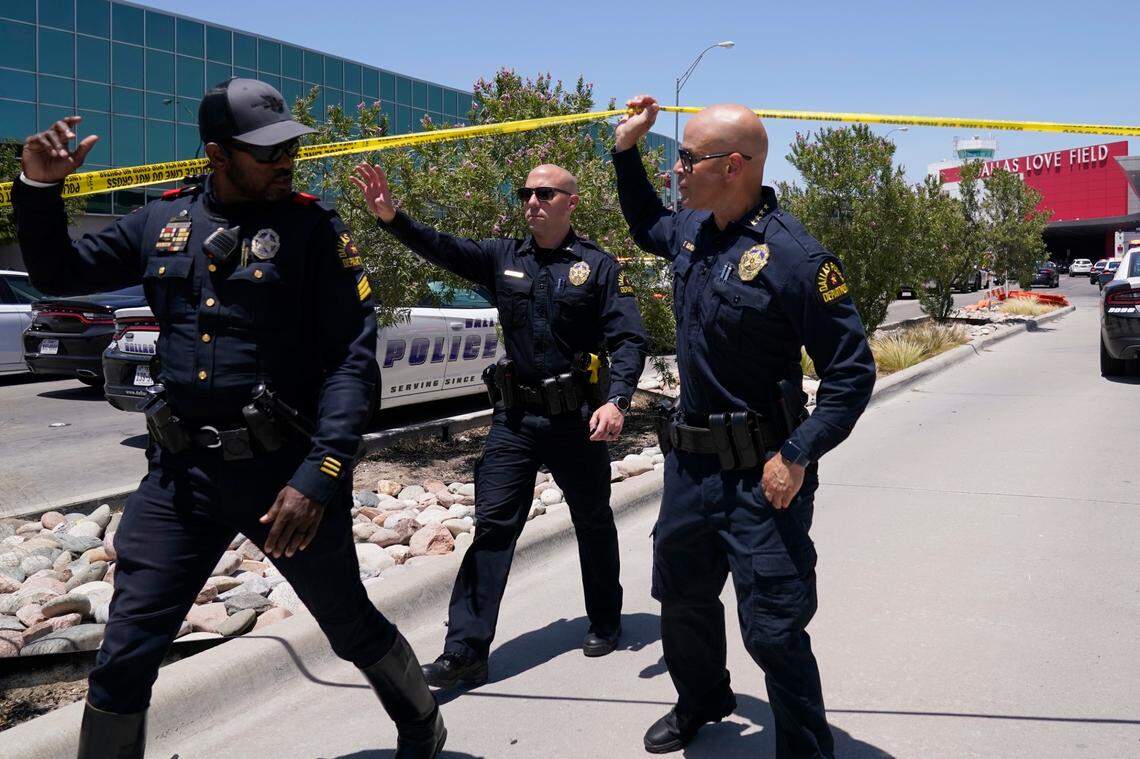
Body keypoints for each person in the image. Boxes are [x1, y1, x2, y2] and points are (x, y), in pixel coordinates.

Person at [11, 78, 444, 759]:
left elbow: (353, 366)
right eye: (267, 151)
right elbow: (60, 271)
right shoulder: (162, 220)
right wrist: (37, 192)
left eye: (289, 147)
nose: (286, 161)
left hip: (285, 478)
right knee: (125, 651)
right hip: (182, 477)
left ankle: (422, 724)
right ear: (218, 153)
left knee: (349, 624)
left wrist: (320, 475)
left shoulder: (313, 230)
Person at [611, 96, 876, 756]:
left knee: (774, 628)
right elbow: (646, 221)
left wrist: (799, 452)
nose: (676, 169)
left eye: (686, 158)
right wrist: (624, 152)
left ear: (732, 166)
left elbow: (853, 372)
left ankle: (807, 749)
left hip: (764, 476)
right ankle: (702, 698)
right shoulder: (693, 229)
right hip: (691, 468)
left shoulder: (795, 258)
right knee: (682, 597)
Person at [352, 160, 647, 687]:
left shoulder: (599, 267)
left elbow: (628, 340)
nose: (532, 201)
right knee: (492, 528)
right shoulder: (502, 256)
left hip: (577, 420)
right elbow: (440, 246)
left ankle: (604, 617)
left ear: (570, 202)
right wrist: (392, 218)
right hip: (516, 419)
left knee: (593, 522)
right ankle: (465, 649)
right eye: (526, 192)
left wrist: (617, 400)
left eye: (545, 193)